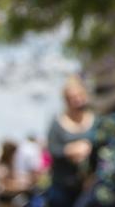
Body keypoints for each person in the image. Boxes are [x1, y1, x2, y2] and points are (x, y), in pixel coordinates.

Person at [44, 78, 96, 207]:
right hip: (63, 185)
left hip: (89, 186)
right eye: (72, 98)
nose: (77, 100)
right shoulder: (57, 124)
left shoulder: (96, 121)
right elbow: (52, 149)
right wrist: (70, 150)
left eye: (79, 96)